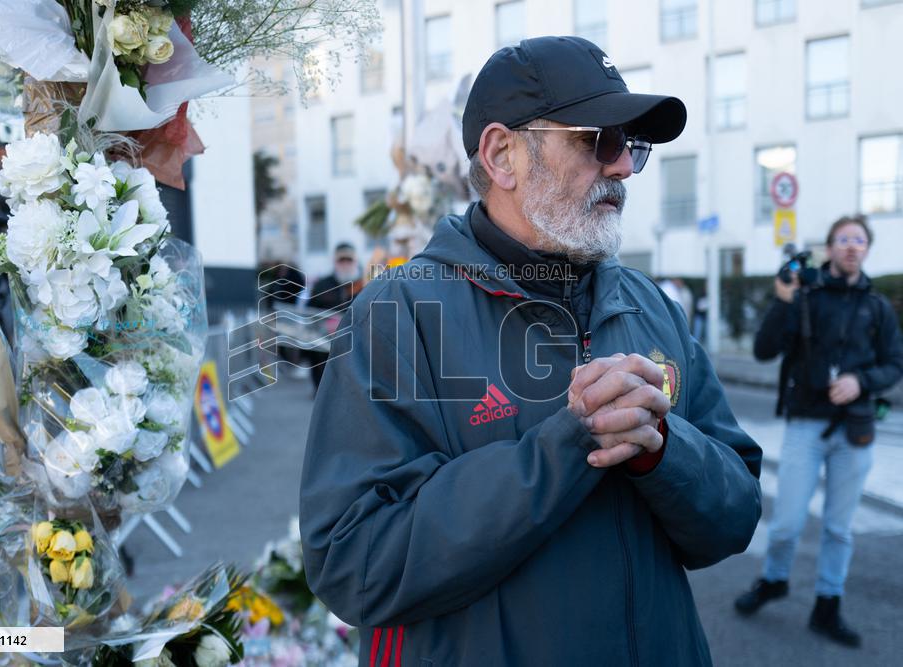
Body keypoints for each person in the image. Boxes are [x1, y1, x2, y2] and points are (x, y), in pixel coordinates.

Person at [300, 36, 762, 666]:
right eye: (599, 139)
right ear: (502, 155)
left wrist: (663, 449)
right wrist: (569, 444)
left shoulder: (649, 304)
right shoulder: (397, 313)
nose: (624, 166)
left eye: (634, 145)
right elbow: (355, 564)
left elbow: (734, 518)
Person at [734, 215, 903, 647]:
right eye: (843, 238)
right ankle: (774, 580)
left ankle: (828, 605)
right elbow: (764, 349)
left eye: (859, 240)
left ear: (867, 249)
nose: (851, 246)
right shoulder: (804, 296)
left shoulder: (877, 307)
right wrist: (783, 300)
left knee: (839, 529)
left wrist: (860, 382)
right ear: (830, 247)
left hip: (854, 429)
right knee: (787, 523)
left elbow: (894, 365)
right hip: (805, 425)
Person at [305, 243, 362, 390]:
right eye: (341, 260)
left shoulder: (366, 285)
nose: (345, 264)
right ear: (335, 261)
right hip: (323, 348)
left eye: (349, 260)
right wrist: (325, 323)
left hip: (355, 346)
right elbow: (308, 314)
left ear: (355, 261)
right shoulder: (322, 286)